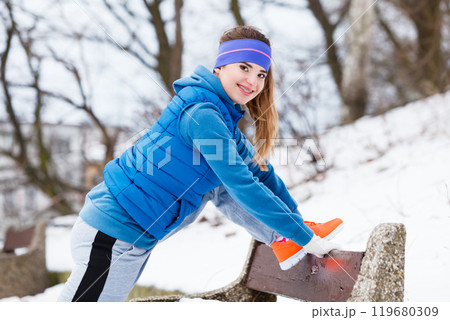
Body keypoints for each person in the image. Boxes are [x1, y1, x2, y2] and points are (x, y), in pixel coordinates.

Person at [58, 26, 343, 302]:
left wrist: (296, 223)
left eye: (261, 74)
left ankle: (281, 239)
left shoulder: (223, 119)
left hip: (130, 238)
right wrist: (300, 234)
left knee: (219, 183)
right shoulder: (203, 115)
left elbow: (259, 173)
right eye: (244, 67)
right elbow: (241, 183)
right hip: (111, 232)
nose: (253, 81)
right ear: (220, 66)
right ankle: (284, 238)